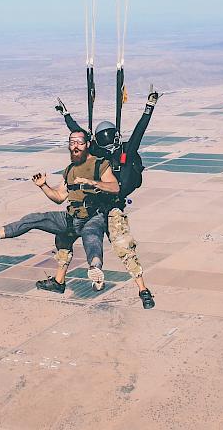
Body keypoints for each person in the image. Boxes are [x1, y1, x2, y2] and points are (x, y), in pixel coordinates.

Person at [0, 129, 117, 293]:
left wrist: (92, 182)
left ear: (87, 144)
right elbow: (59, 197)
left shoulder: (100, 165)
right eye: (72, 142)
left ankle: (96, 271)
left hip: (93, 216)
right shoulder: (70, 170)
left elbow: (115, 187)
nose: (75, 146)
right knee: (33, 219)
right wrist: (43, 186)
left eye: (80, 142)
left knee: (92, 238)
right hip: (71, 218)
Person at [55, 89, 158, 309]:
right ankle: (143, 290)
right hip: (101, 209)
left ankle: (59, 280)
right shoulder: (121, 151)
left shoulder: (100, 152)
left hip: (102, 209)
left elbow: (79, 134)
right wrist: (149, 107)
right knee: (123, 249)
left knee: (69, 237)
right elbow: (139, 131)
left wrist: (66, 116)